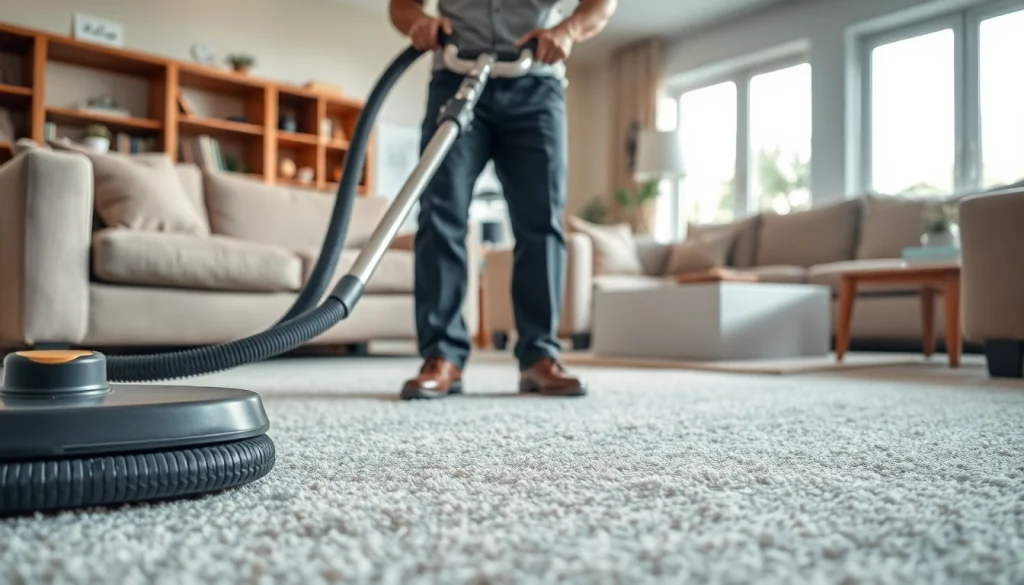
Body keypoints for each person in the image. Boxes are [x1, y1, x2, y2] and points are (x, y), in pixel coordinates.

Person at [388, 0, 616, 400]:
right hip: (456, 76)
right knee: (440, 212)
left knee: (540, 219)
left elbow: (601, 4)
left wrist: (567, 32)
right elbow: (401, 6)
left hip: (537, 84)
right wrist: (419, 23)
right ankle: (442, 356)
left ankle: (539, 357)